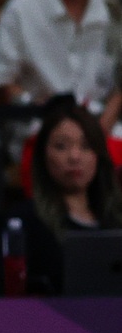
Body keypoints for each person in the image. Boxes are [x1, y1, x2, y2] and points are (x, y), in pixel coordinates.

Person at [18, 96, 122, 293]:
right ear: (42, 155)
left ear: (99, 155)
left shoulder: (116, 217)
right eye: (61, 146)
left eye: (86, 146)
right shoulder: (26, 221)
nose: (74, 157)